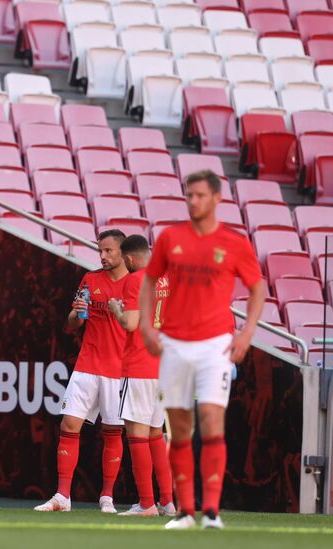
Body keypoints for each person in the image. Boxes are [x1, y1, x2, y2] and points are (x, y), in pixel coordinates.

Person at [140, 170, 265, 530]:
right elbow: (149, 282)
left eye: (199, 195)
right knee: (180, 430)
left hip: (216, 345)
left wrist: (246, 334)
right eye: (188, 195)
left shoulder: (235, 242)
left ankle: (210, 511)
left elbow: (257, 289)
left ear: (215, 199)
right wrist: (149, 326)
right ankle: (185, 511)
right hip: (175, 345)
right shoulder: (170, 238)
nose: (193, 201)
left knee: (211, 420)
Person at [35, 230, 129, 514]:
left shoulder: (135, 284)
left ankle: (107, 498)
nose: (102, 256)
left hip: (119, 369)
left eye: (108, 251)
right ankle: (62, 496)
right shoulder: (90, 280)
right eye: (100, 250)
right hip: (87, 365)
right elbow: (72, 323)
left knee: (113, 431)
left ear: (123, 253)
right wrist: (77, 312)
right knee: (68, 425)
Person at [106, 234, 175, 517]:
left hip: (139, 366)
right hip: (164, 366)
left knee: (137, 435)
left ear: (130, 258)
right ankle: (167, 502)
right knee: (157, 434)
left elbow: (131, 322)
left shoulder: (136, 280)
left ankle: (146, 503)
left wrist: (116, 310)